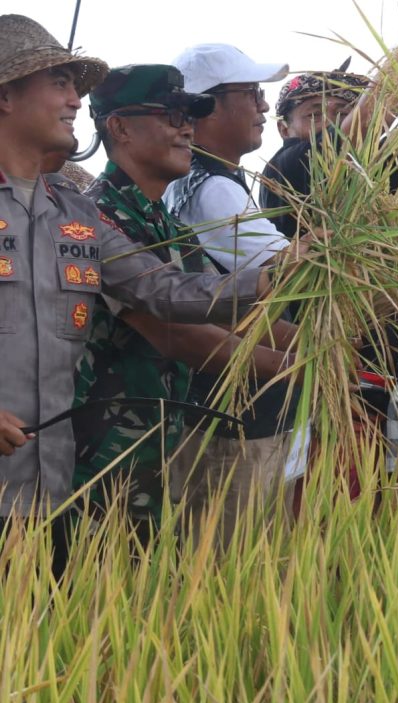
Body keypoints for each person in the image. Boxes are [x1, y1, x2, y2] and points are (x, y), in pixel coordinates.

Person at [0, 15, 282, 575]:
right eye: (59, 82)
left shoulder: (75, 211)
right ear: (6, 95)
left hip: (50, 494)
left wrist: (269, 280)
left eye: (75, 86)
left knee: (52, 649)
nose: (75, 100)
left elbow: (161, 289)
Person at [75, 64, 299, 541]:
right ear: (119, 127)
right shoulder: (100, 217)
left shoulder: (165, 223)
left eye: (190, 114)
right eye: (170, 114)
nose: (186, 127)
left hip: (163, 439)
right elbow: (177, 328)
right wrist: (300, 364)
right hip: (106, 453)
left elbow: (228, 312)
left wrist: (320, 344)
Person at [163, 43, 302, 547]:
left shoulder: (194, 180)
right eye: (252, 93)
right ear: (207, 106)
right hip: (237, 413)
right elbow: (290, 277)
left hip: (225, 400)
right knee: (234, 555)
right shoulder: (214, 189)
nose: (263, 106)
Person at [260, 67, 370, 238]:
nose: (330, 123)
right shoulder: (284, 165)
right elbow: (365, 119)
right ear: (284, 130)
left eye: (343, 114)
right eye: (313, 115)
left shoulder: (370, 164)